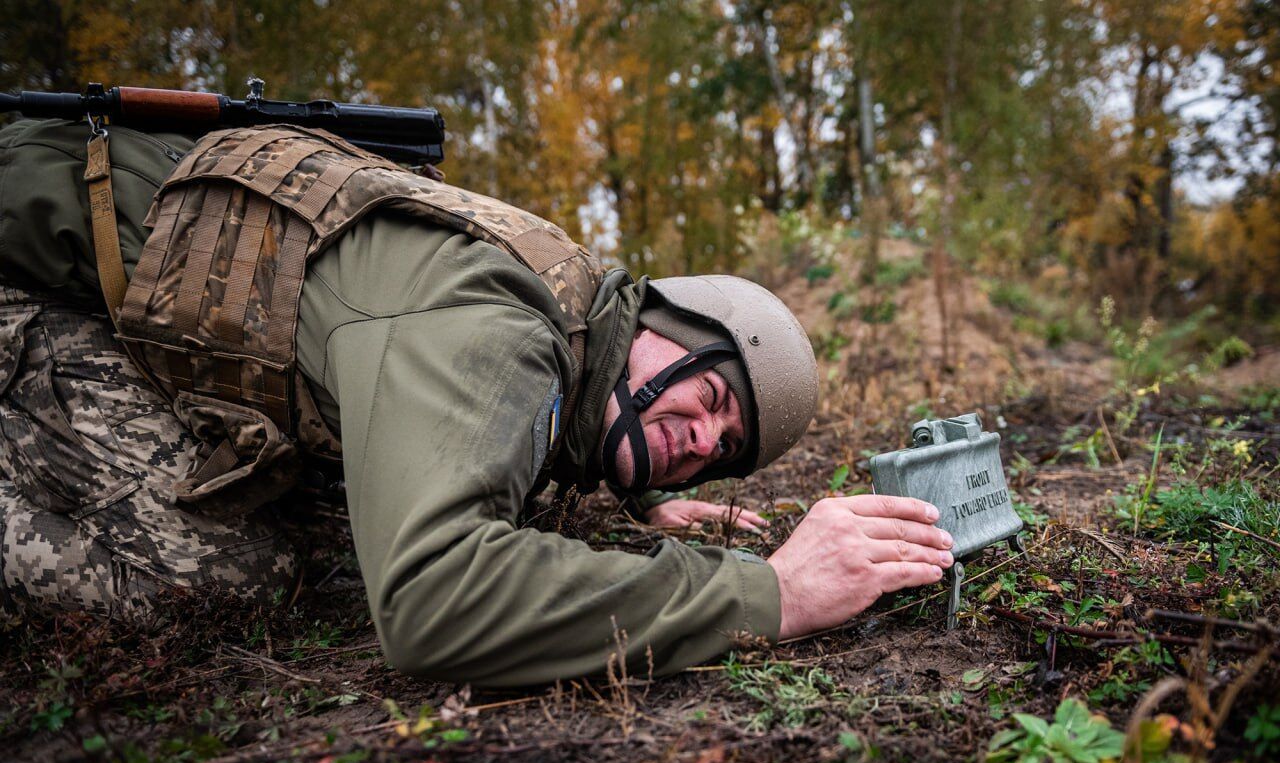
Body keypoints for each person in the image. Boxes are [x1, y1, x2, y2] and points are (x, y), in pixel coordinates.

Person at [0, 118, 955, 686]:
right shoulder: (501, 332)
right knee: (228, 571)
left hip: (114, 306)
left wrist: (638, 485)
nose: (697, 437)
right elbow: (430, 603)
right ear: (658, 315)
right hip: (31, 285)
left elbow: (557, 415)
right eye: (706, 394)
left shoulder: (584, 331)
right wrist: (773, 593)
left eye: (720, 445)